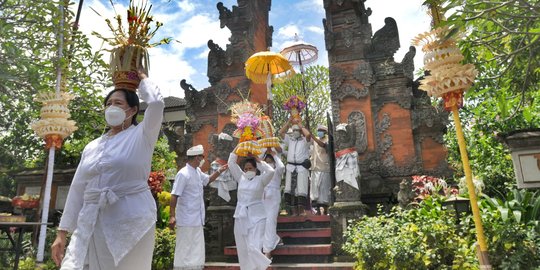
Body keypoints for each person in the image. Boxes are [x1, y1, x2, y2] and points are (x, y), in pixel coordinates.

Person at [51, 70, 163, 269]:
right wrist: (62, 233)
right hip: (89, 220)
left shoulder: (142, 135)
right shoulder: (92, 146)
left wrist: (142, 79)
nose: (112, 107)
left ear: (133, 109)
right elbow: (78, 189)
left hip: (130, 223)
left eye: (118, 103)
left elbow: (156, 104)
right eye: (108, 104)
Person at [169, 144, 228, 270]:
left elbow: (208, 180)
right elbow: (174, 195)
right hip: (186, 218)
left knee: (196, 247)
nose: (202, 160)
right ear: (196, 158)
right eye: (201, 157)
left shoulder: (197, 171)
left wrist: (219, 171)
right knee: (185, 247)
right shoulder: (183, 174)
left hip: (197, 218)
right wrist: (172, 216)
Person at [228, 146, 275, 270]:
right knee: (243, 247)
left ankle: (263, 265)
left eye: (250, 168)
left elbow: (271, 171)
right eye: (246, 168)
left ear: (255, 169)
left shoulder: (261, 180)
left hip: (258, 217)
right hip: (240, 216)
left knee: (254, 246)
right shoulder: (241, 177)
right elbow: (231, 163)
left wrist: (257, 159)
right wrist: (238, 147)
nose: (248, 170)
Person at [278, 118, 311, 216]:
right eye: (294, 130)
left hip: (301, 168)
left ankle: (301, 211)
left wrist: (300, 125)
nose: (295, 132)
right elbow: (281, 132)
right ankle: (294, 211)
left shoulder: (305, 141)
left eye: (297, 130)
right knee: (291, 190)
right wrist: (289, 122)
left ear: (301, 131)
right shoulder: (290, 140)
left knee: (301, 190)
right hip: (290, 168)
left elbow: (308, 135)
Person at [261, 148, 285, 259]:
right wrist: (265, 151)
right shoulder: (263, 170)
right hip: (263, 197)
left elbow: (281, 166)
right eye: (267, 158)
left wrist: (274, 154)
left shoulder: (277, 169)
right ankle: (276, 239)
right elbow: (258, 162)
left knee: (270, 222)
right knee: (264, 223)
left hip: (274, 196)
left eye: (271, 159)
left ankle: (267, 251)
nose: (268, 160)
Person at [309, 125, 331, 215]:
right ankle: (317, 210)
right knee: (315, 189)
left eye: (321, 131)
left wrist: (313, 136)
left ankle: (325, 209)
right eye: (318, 130)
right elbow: (307, 136)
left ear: (325, 132)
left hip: (325, 168)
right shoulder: (315, 139)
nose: (319, 132)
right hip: (315, 168)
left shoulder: (328, 140)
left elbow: (323, 145)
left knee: (324, 189)